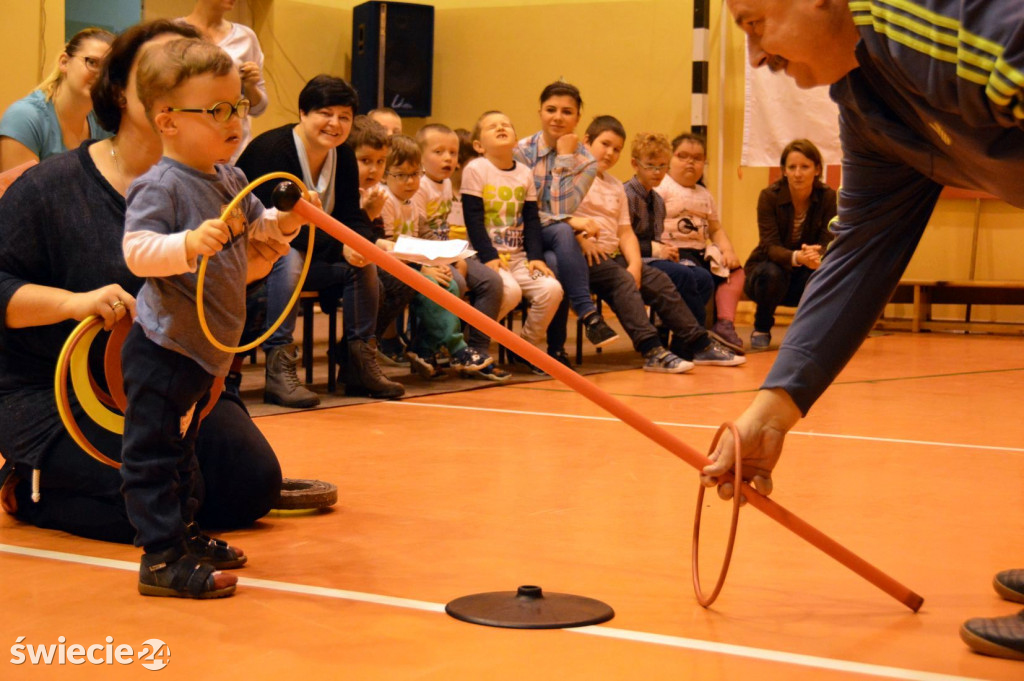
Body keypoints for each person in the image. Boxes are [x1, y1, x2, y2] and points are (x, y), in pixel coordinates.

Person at [715, 0, 1024, 661]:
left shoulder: (922, 17)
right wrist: (773, 408)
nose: (758, 57)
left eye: (753, 24)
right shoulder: (870, 105)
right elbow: (859, 252)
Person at [0, 21, 282, 548]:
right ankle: (29, 482)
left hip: (178, 373)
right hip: (59, 392)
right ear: (122, 92)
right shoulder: (47, 187)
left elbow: (208, 291)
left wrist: (254, 263)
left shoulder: (220, 184)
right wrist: (73, 302)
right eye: (166, 67)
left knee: (250, 487)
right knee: (145, 502)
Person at [120, 37, 309, 598]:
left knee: (184, 453)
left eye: (239, 107)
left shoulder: (230, 179)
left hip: (209, 351)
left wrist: (289, 222)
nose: (235, 120)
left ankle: (186, 532)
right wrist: (186, 243)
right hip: (165, 349)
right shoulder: (161, 184)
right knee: (153, 453)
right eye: (218, 110)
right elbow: (136, 251)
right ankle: (159, 558)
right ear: (168, 121)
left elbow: (262, 235)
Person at [236, 75, 403, 403]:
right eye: (325, 113)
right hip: (259, 256)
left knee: (364, 265)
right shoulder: (271, 150)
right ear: (302, 112)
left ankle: (359, 367)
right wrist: (341, 244)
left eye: (344, 116)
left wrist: (363, 242)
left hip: (315, 255)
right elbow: (269, 226)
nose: (335, 124)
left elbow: (350, 216)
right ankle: (279, 370)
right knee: (288, 254)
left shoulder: (342, 156)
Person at [571, 116, 742, 370]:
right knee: (631, 280)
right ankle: (653, 349)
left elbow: (625, 233)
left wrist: (636, 265)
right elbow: (557, 216)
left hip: (614, 255)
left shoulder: (616, 186)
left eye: (616, 148)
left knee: (661, 279)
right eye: (605, 144)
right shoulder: (570, 177)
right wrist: (581, 237)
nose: (610, 153)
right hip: (582, 255)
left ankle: (698, 344)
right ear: (586, 141)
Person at [515, 81, 619, 366]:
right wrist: (571, 220)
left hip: (552, 238)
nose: (557, 117)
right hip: (520, 232)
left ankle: (552, 347)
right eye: (551, 110)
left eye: (566, 111)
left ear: (578, 118)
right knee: (562, 233)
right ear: (539, 112)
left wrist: (563, 157)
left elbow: (561, 209)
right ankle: (586, 317)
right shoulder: (521, 151)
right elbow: (524, 210)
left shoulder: (586, 162)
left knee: (557, 254)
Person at [379, 134, 489, 378]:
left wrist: (450, 256)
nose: (410, 181)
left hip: (412, 263)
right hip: (393, 266)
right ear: (385, 175)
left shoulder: (410, 201)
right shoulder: (385, 200)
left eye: (415, 174)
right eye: (401, 175)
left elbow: (424, 234)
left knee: (448, 281)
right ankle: (457, 348)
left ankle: (424, 349)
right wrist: (423, 268)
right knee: (434, 284)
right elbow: (388, 246)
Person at [462, 111, 563, 366]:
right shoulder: (476, 169)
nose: (500, 127)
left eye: (506, 124)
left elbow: (531, 220)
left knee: (552, 290)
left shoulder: (524, 174)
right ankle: (467, 342)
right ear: (478, 145)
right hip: (483, 255)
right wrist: (489, 257)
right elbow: (473, 219)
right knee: (509, 292)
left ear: (516, 141)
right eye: (492, 126)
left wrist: (536, 258)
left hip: (517, 257)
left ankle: (524, 348)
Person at [414, 123, 506, 380]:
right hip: (427, 255)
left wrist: (456, 256)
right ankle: (428, 348)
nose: (448, 158)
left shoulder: (444, 184)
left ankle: (477, 348)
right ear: (419, 156)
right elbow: (418, 235)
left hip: (447, 251)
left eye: (453, 153)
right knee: (455, 280)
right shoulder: (418, 186)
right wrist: (450, 259)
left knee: (492, 281)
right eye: (439, 152)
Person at [656, 133, 746, 350]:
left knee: (735, 272)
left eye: (697, 158)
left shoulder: (705, 194)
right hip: (673, 252)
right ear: (669, 160)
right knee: (697, 276)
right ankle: (686, 338)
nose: (690, 162)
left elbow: (715, 229)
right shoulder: (662, 188)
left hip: (699, 252)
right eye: (683, 156)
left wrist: (728, 251)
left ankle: (724, 325)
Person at [744, 139, 836, 349]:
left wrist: (817, 255)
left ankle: (811, 334)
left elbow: (828, 239)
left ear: (817, 169)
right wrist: (797, 257)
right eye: (792, 167)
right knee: (772, 273)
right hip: (766, 270)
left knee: (829, 274)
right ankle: (762, 327)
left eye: (805, 167)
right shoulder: (769, 196)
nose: (798, 173)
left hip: (806, 268)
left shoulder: (828, 197)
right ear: (784, 171)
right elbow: (769, 245)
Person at [345, 116, 417, 371]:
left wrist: (383, 244)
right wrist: (367, 215)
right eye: (365, 161)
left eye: (380, 162)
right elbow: (349, 235)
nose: (374, 170)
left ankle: (359, 348)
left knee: (405, 278)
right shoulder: (344, 190)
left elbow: (373, 237)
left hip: (366, 258)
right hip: (341, 259)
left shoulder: (375, 192)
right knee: (382, 283)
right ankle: (356, 352)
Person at [624, 132, 715, 328]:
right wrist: (658, 250)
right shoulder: (626, 195)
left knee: (703, 278)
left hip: (652, 258)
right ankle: (698, 339)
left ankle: (679, 339)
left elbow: (655, 238)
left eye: (662, 166)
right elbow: (620, 242)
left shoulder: (657, 201)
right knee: (682, 275)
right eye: (650, 166)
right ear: (635, 164)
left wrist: (666, 250)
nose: (657, 172)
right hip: (630, 260)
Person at [0, 27, 115, 171]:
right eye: (92, 62)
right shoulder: (24, 117)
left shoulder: (102, 123)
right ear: (64, 62)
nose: (100, 76)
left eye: (108, 70)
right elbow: (19, 192)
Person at [180, 0, 267, 161]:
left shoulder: (246, 37)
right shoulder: (174, 32)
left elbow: (259, 108)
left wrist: (250, 86)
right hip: (188, 145)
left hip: (234, 151)